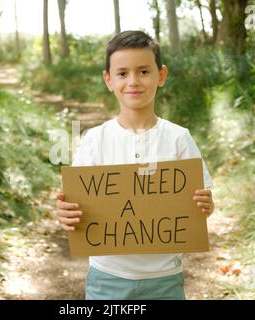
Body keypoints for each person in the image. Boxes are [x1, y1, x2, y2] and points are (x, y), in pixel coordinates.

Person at [56, 30, 214, 300]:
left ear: (160, 76)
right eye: (122, 73)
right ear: (108, 80)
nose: (133, 81)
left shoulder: (178, 138)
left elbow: (203, 205)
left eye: (143, 71)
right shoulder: (95, 140)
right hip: (107, 278)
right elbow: (75, 203)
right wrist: (66, 214)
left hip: (165, 278)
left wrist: (206, 206)